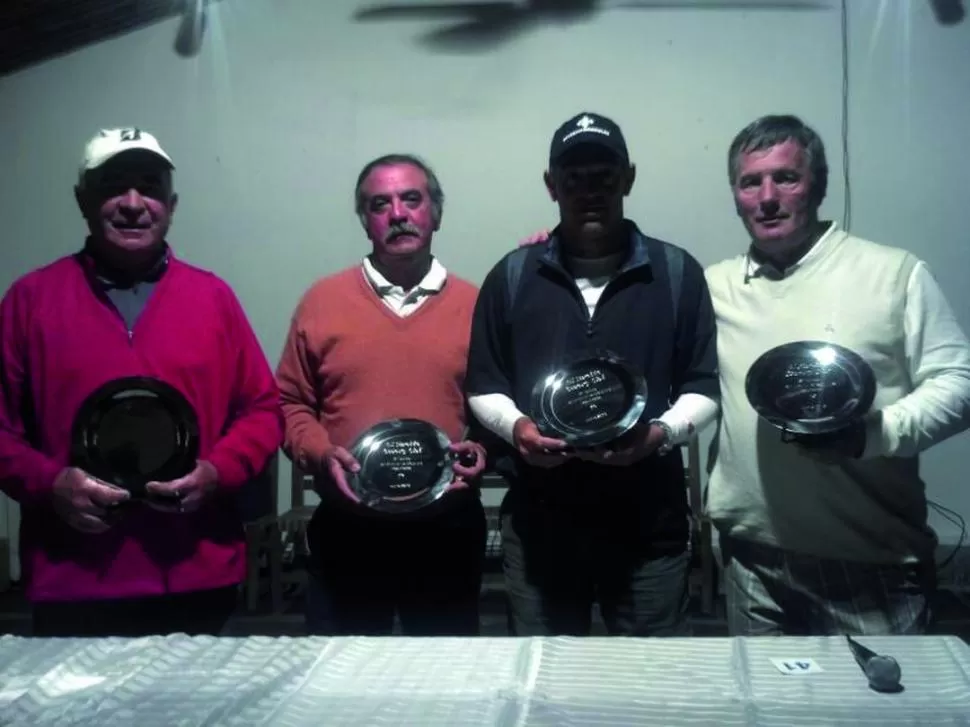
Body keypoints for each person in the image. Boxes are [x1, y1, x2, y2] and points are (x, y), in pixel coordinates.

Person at [0, 127, 284, 637]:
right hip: (75, 581)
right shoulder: (29, 301)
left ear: (170, 204)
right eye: (114, 186)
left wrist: (218, 472)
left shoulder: (212, 297)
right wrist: (50, 485)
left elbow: (263, 410)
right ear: (83, 200)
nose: (134, 204)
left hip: (199, 576)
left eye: (149, 187)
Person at [704, 114, 970, 636]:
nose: (767, 196)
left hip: (873, 562)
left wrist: (872, 433)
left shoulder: (893, 274)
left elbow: (959, 383)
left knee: (881, 716)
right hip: (751, 561)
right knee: (765, 716)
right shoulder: (714, 286)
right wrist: (544, 255)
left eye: (786, 177)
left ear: (817, 184)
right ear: (735, 194)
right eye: (749, 181)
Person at [465, 112, 720, 637]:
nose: (590, 191)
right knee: (545, 685)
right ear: (551, 185)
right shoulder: (512, 275)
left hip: (649, 526)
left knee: (654, 681)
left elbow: (703, 387)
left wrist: (659, 434)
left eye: (604, 176)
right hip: (541, 527)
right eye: (574, 178)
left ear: (627, 178)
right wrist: (517, 430)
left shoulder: (676, 273)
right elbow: (485, 385)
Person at [276, 153, 489, 636]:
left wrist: (483, 452)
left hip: (447, 530)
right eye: (380, 204)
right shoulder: (321, 302)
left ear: (435, 212)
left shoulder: (477, 306)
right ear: (365, 221)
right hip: (348, 528)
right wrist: (318, 452)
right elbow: (290, 402)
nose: (397, 214)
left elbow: (495, 409)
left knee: (444, 685)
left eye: (411, 199)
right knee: (338, 685)